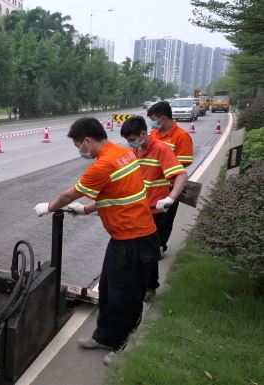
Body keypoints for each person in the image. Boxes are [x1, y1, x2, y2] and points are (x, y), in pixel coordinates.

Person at [34, 117, 159, 365]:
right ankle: (104, 337)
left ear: (88, 141)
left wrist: (48, 207)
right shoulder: (124, 153)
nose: (80, 151)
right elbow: (117, 192)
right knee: (109, 291)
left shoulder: (104, 164)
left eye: (79, 146)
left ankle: (125, 346)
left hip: (135, 239)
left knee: (128, 297)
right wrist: (87, 210)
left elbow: (70, 193)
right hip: (123, 237)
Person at [120, 116, 187, 301]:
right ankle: (136, 282)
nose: (131, 143)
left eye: (132, 139)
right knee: (133, 247)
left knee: (149, 251)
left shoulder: (161, 149)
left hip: (155, 210)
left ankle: (150, 286)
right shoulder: (135, 151)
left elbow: (181, 174)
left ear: (143, 133)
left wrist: (170, 198)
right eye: (128, 140)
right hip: (138, 209)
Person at [147, 101, 194, 256]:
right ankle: (149, 244)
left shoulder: (182, 136)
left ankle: (160, 246)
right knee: (150, 217)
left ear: (163, 118)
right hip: (151, 185)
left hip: (170, 186)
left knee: (165, 219)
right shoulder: (154, 133)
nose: (152, 123)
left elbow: (183, 163)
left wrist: (163, 167)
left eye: (154, 119)